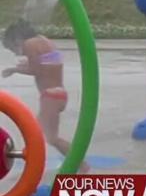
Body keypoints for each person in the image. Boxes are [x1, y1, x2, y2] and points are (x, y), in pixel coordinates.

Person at [2, 19, 89, 172]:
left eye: (12, 48)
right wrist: (24, 65)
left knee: (48, 136)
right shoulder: (44, 41)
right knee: (38, 132)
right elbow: (48, 65)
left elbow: (37, 70)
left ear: (16, 39)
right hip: (59, 93)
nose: (16, 52)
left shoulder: (29, 44)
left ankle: (80, 164)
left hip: (50, 96)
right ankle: (69, 163)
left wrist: (13, 70)